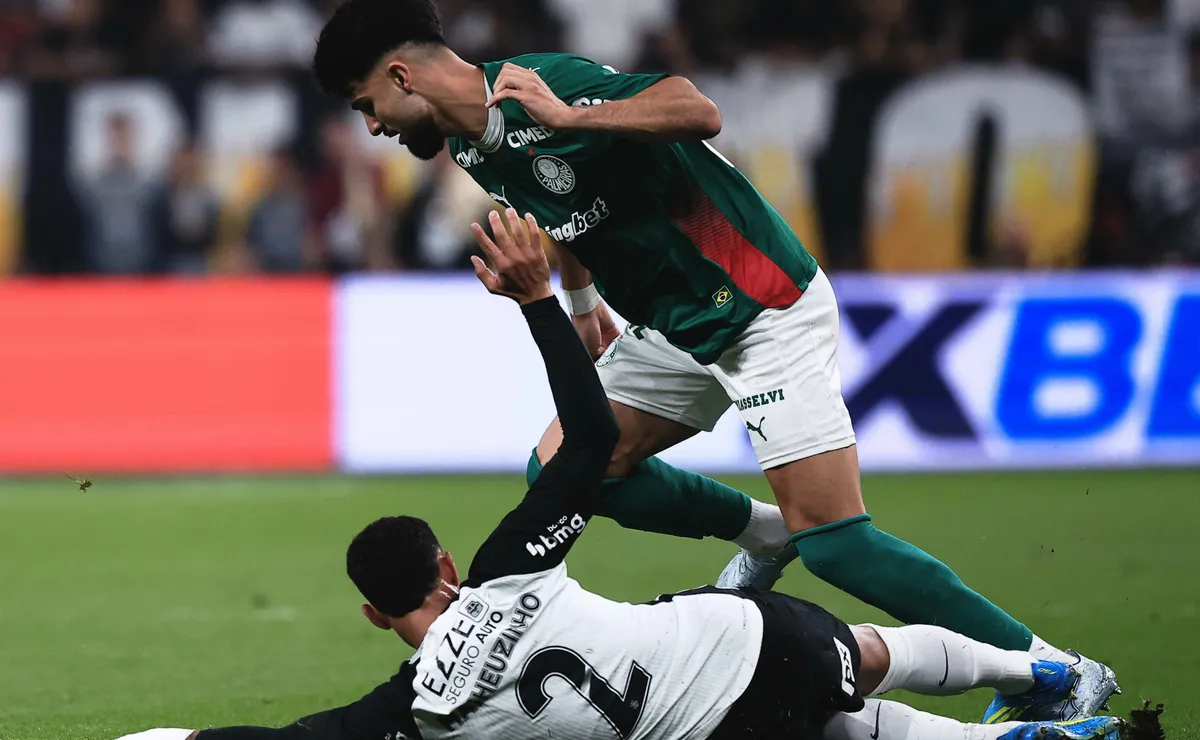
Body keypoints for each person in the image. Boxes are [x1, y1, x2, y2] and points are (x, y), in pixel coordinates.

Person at [309, 0, 1115, 723]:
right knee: (570, 469)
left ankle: (1057, 668)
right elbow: (558, 207)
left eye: (365, 103)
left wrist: (573, 114)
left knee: (838, 543)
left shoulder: (540, 87)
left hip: (760, 304)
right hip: (672, 324)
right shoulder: (469, 143)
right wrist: (585, 308)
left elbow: (697, 110)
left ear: (401, 75)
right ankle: (769, 535)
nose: (372, 126)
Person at [112, 211, 1126, 740]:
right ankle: (1037, 672)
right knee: (865, 656)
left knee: (845, 698)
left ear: (377, 617)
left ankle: (1026, 716)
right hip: (744, 638)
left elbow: (272, 739)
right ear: (448, 564)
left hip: (712, 727)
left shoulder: (418, 709)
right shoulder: (510, 565)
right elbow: (589, 443)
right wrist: (547, 302)